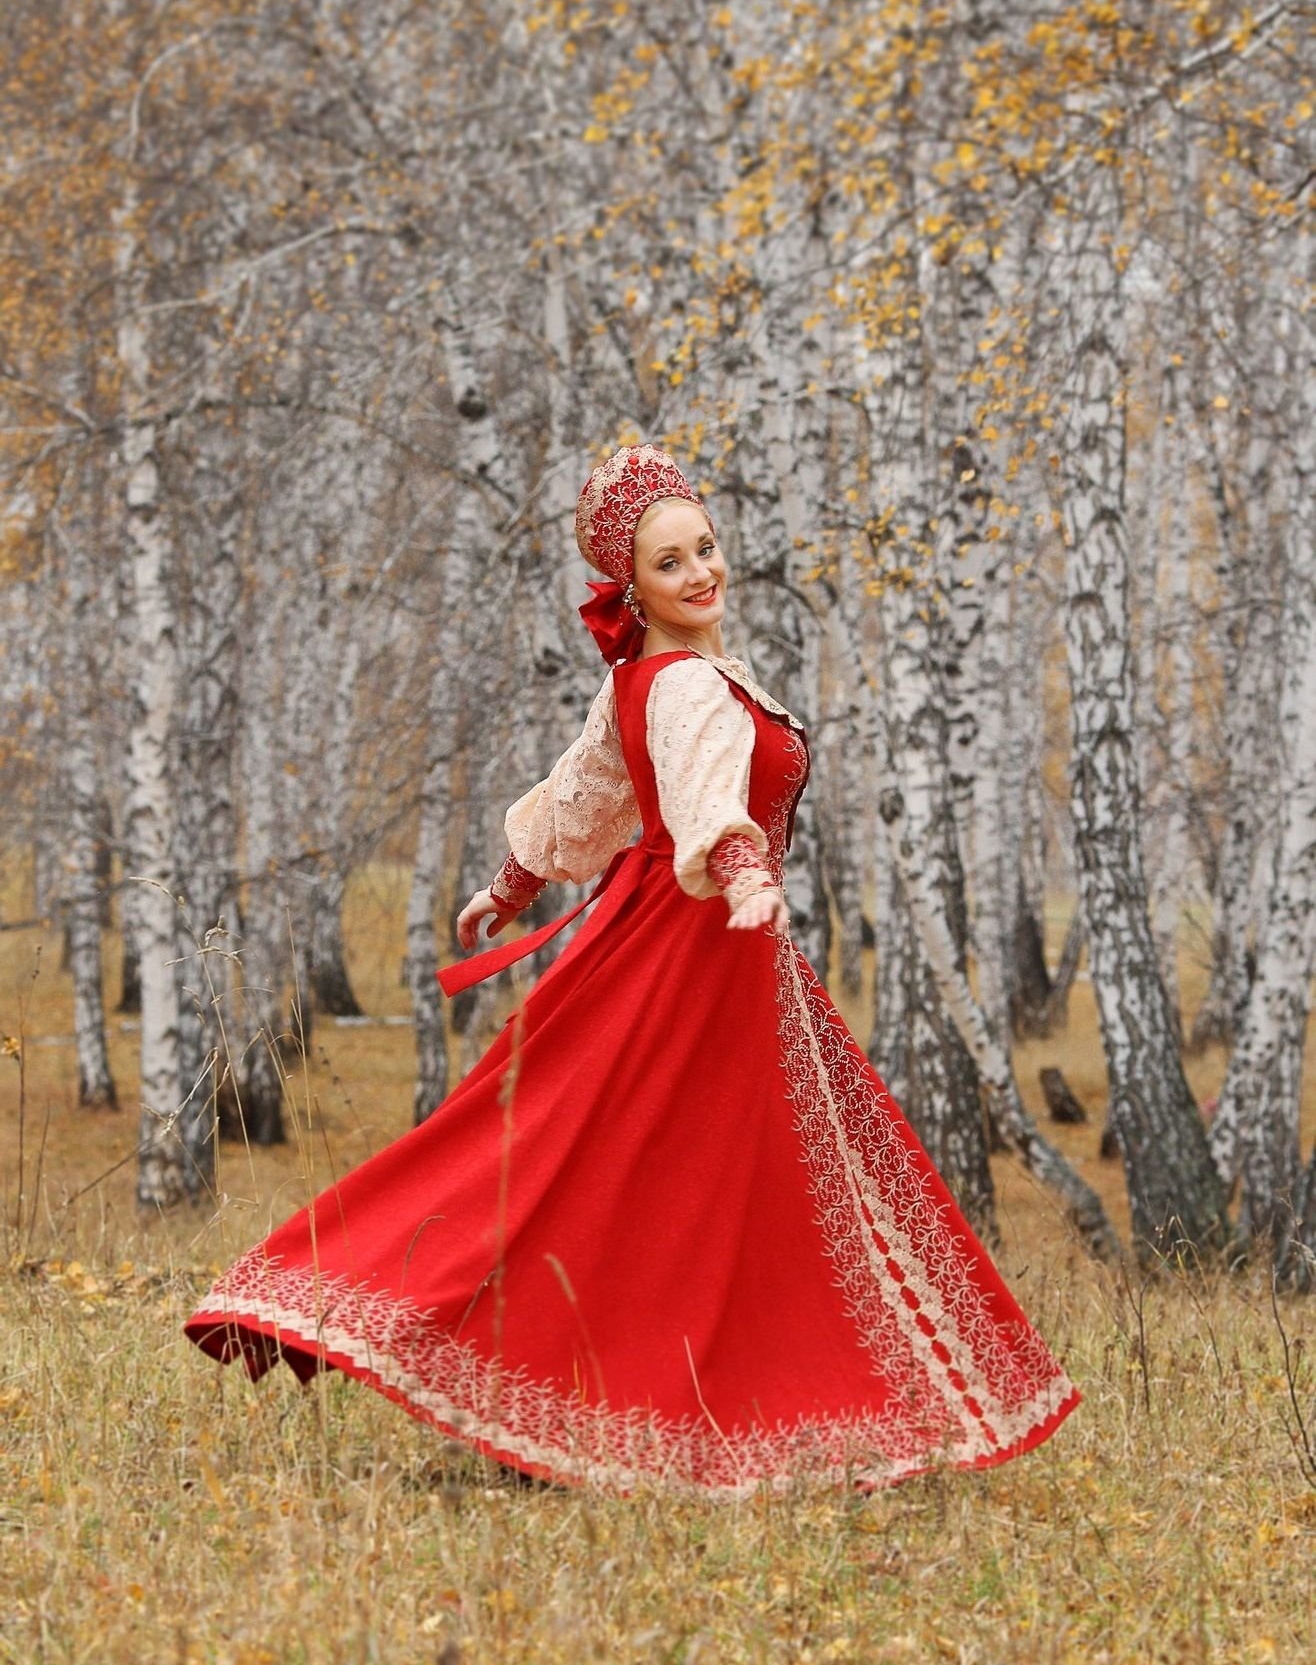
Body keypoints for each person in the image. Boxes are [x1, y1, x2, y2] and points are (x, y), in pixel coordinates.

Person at [186, 444, 1078, 1493]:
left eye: (705, 547)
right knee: (649, 1164)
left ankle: (661, 1391)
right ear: (631, 588)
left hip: (692, 941)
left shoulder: (645, 677)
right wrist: (738, 870)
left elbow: (592, 786)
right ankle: (730, 1395)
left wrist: (514, 883)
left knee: (638, 1161)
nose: (701, 572)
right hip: (696, 944)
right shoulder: (683, 683)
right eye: (670, 562)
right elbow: (691, 796)